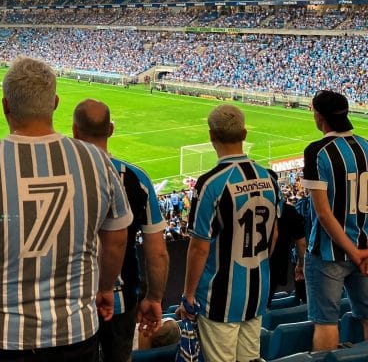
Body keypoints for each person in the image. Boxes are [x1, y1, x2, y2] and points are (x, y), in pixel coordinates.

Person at [0, 57, 132, 361]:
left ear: (5, 106)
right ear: (54, 103)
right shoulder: (97, 161)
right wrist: (106, 287)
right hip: (75, 330)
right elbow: (117, 239)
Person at [176, 104, 280, 362]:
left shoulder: (211, 183)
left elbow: (199, 246)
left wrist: (188, 295)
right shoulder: (268, 177)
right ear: (244, 134)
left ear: (211, 135)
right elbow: (274, 234)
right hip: (257, 291)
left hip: (219, 298)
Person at [72, 99, 169, 362]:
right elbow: (156, 252)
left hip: (73, 300)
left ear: (74, 131)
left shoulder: (61, 176)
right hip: (122, 300)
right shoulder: (136, 178)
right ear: (111, 130)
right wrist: (155, 297)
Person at [302, 90, 368, 351]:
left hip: (329, 254)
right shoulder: (366, 147)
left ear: (319, 116)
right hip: (365, 252)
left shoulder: (318, 152)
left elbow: (323, 213)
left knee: (326, 322)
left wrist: (351, 251)